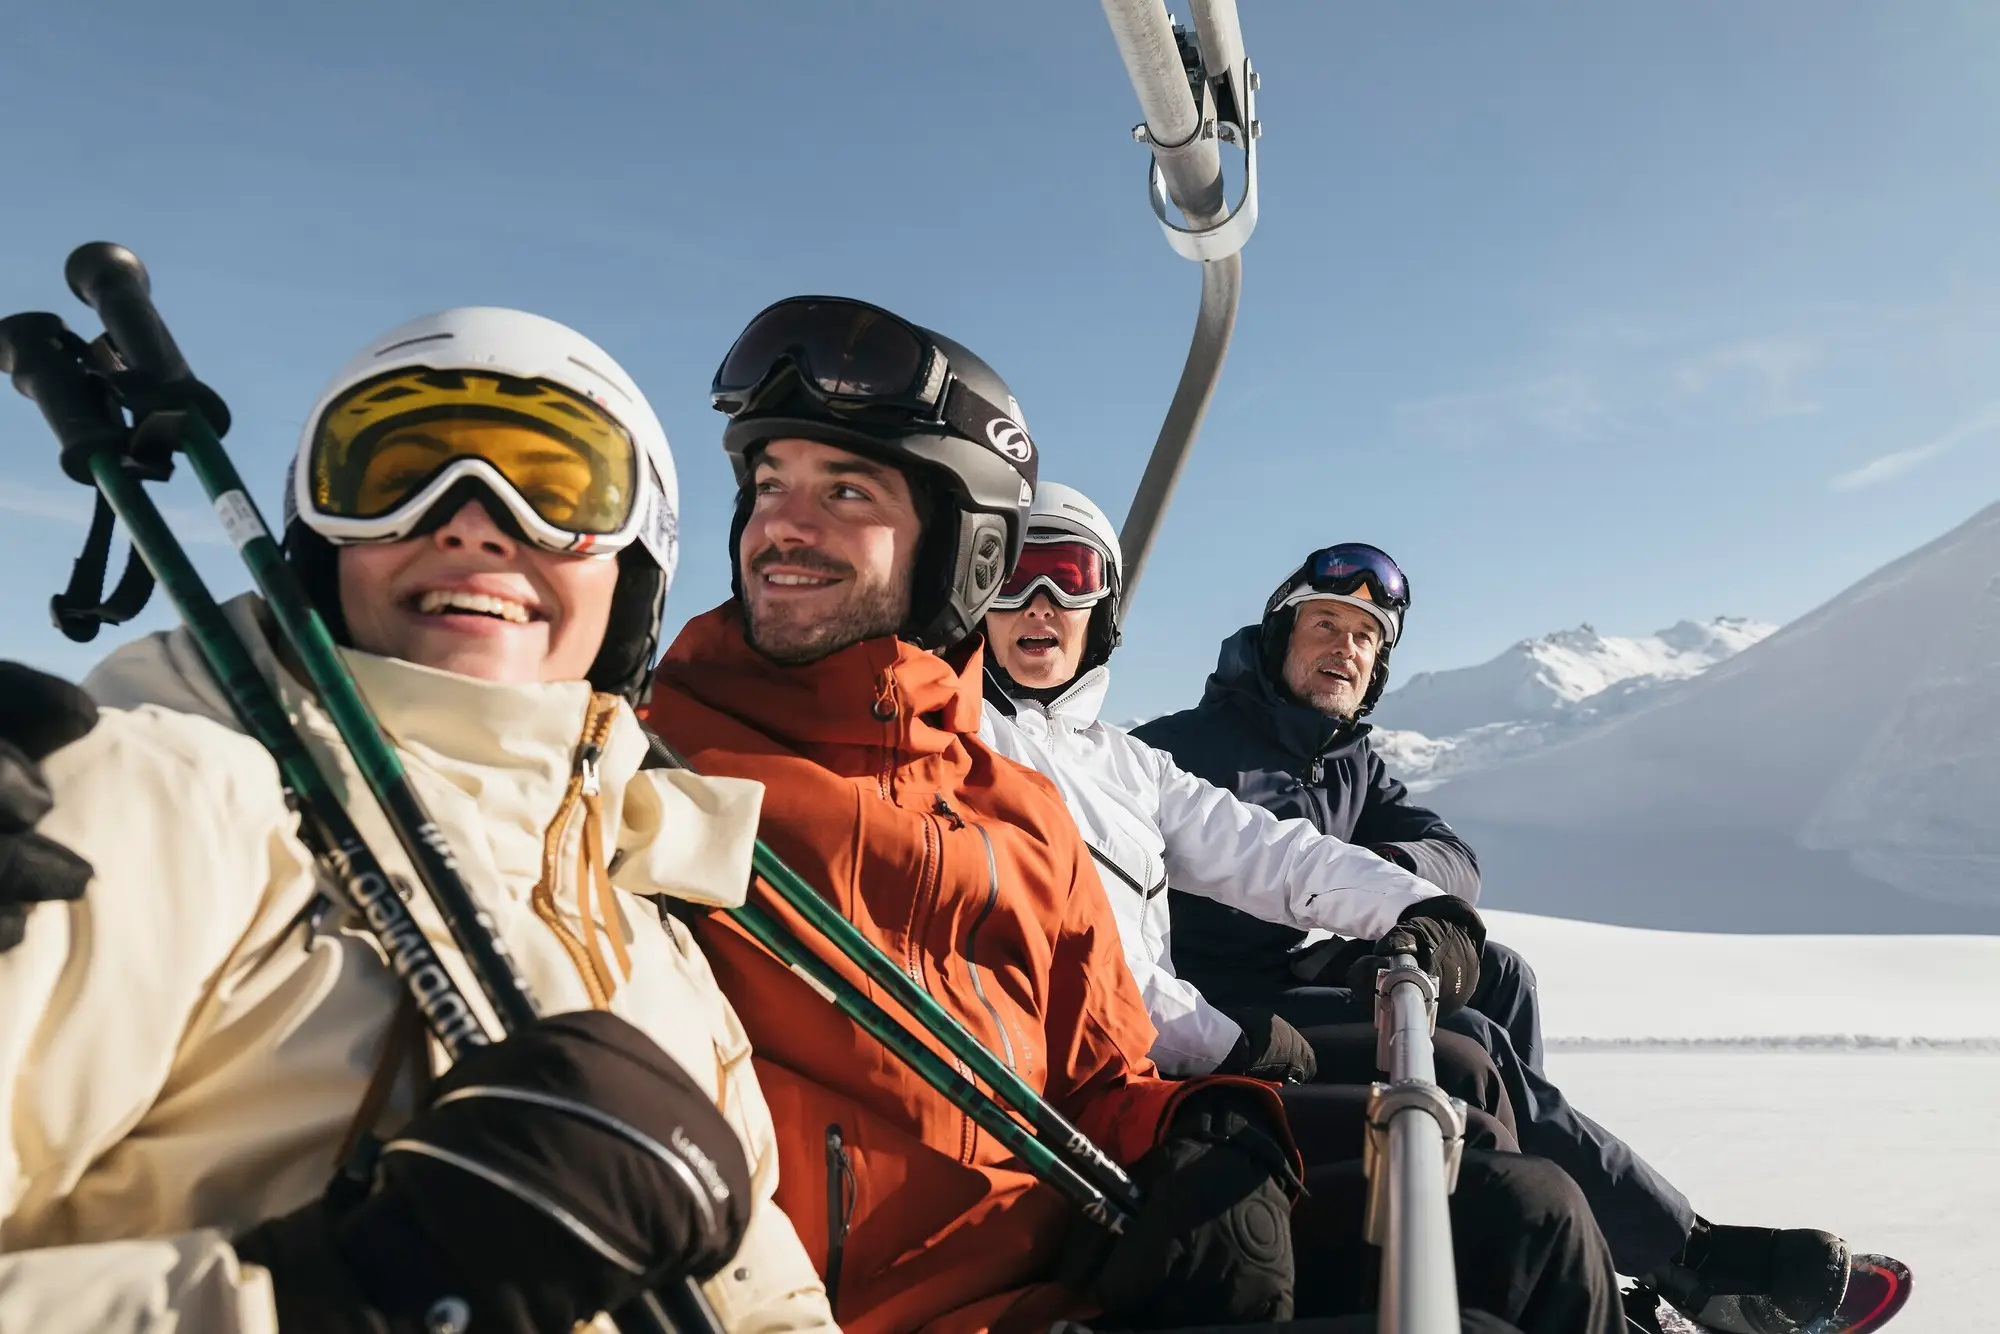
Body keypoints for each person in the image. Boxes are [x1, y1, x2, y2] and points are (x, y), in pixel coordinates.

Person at [642, 296, 1619, 1334]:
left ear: (958, 547)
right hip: (915, 1298)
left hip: (1066, 1219)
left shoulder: (1021, 795)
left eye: (846, 489)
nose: (785, 523)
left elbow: (1206, 921)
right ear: (987, 577)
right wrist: (1238, 1048)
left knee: (1526, 1211)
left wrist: (1201, 1130)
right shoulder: (653, 771)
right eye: (767, 483)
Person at [0, 308, 834, 1334]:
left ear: (634, 565)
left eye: (557, 485)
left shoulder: (642, 910)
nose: (473, 522)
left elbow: (765, 1300)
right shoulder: (148, 799)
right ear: (317, 542)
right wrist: (352, 1295)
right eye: (393, 472)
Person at [1135, 542, 1880, 1333]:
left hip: (1311, 976)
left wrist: (1382, 873)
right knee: (1468, 1037)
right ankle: (1683, 1260)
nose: (1344, 648)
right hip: (1227, 1005)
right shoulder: (1186, 749)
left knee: (1499, 975)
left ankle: (1573, 1233)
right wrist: (1350, 898)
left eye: (1365, 637)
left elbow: (1454, 858)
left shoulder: (1348, 762)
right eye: (1325, 623)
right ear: (1281, 635)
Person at [980, 482, 1632, 1331]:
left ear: (1103, 609)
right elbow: (1058, 952)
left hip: (1157, 1075)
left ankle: (1541, 1279)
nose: (1044, 605)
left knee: (1484, 1109)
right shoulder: (978, 744)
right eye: (1018, 577)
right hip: (1117, 1097)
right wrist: (1225, 1035)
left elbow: (1263, 849)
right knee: (1519, 1194)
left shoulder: (1112, 760)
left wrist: (1412, 906)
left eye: (1072, 577)